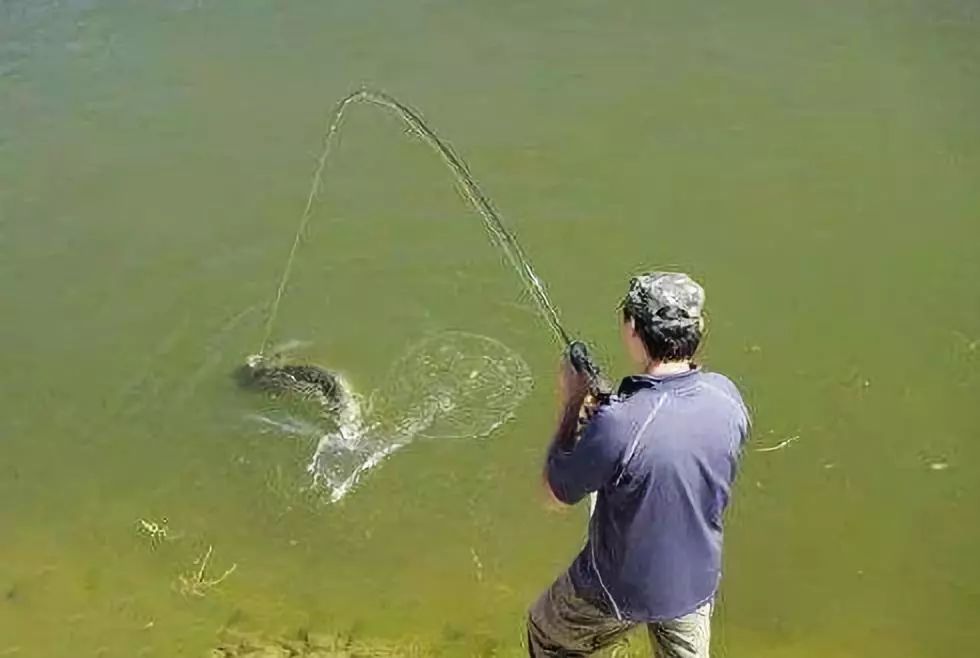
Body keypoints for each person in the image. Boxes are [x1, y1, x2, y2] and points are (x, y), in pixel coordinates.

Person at [527, 272, 750, 658]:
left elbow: (553, 494)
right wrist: (614, 412)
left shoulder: (619, 424)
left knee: (546, 634)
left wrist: (572, 404)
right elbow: (668, 433)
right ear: (699, 329)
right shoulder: (727, 397)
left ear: (632, 328)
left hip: (617, 587)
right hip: (694, 584)